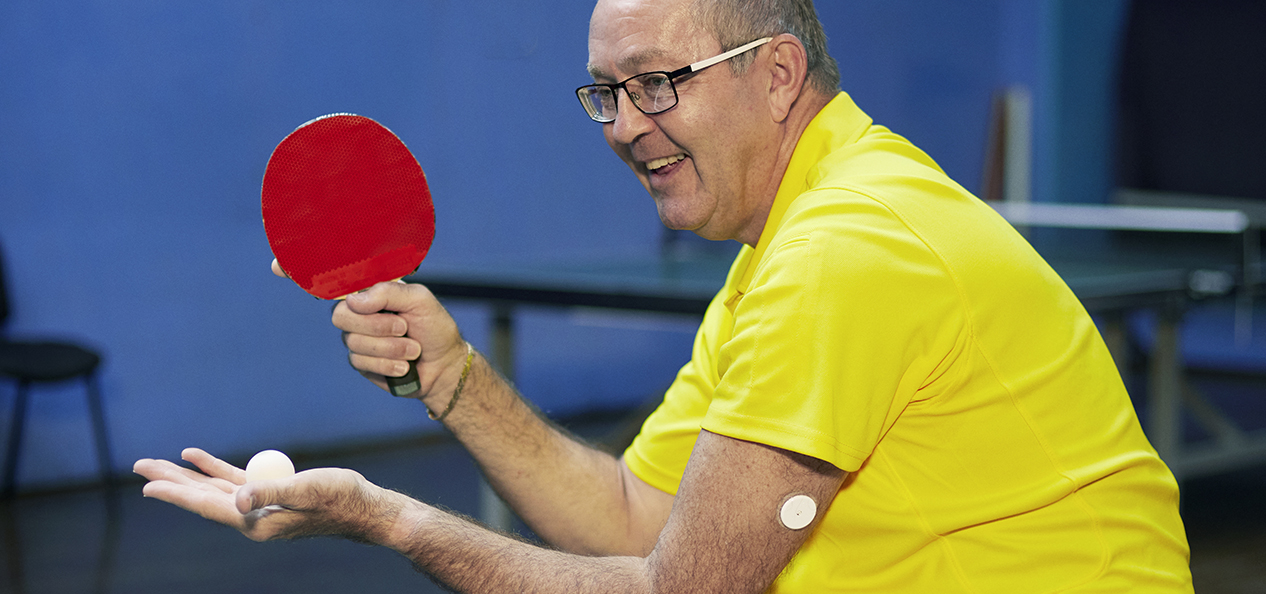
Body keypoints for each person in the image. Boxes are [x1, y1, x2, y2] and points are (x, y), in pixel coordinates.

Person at [134, 0, 1195, 591]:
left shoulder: (846, 251)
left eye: (656, 83)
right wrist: (450, 378)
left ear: (777, 75)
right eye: (606, 91)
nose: (624, 125)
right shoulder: (778, 255)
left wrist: (393, 521)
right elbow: (637, 521)